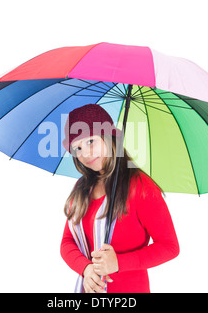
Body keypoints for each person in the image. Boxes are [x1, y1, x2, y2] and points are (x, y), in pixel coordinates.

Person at [60, 104, 179, 293]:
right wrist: (86, 268)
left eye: (91, 141)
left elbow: (169, 246)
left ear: (109, 137)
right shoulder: (82, 188)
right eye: (77, 148)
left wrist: (118, 263)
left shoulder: (141, 187)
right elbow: (67, 242)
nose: (85, 154)